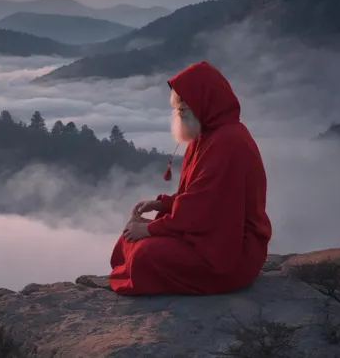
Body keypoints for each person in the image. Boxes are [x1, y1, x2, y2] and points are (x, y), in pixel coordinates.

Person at [108, 61, 272, 295]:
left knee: (144, 254)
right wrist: (162, 204)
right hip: (211, 233)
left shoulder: (228, 143)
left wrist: (151, 230)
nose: (180, 108)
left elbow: (202, 210)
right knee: (129, 238)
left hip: (231, 252)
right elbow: (200, 198)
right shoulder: (205, 136)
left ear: (207, 99)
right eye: (179, 102)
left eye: (187, 101)